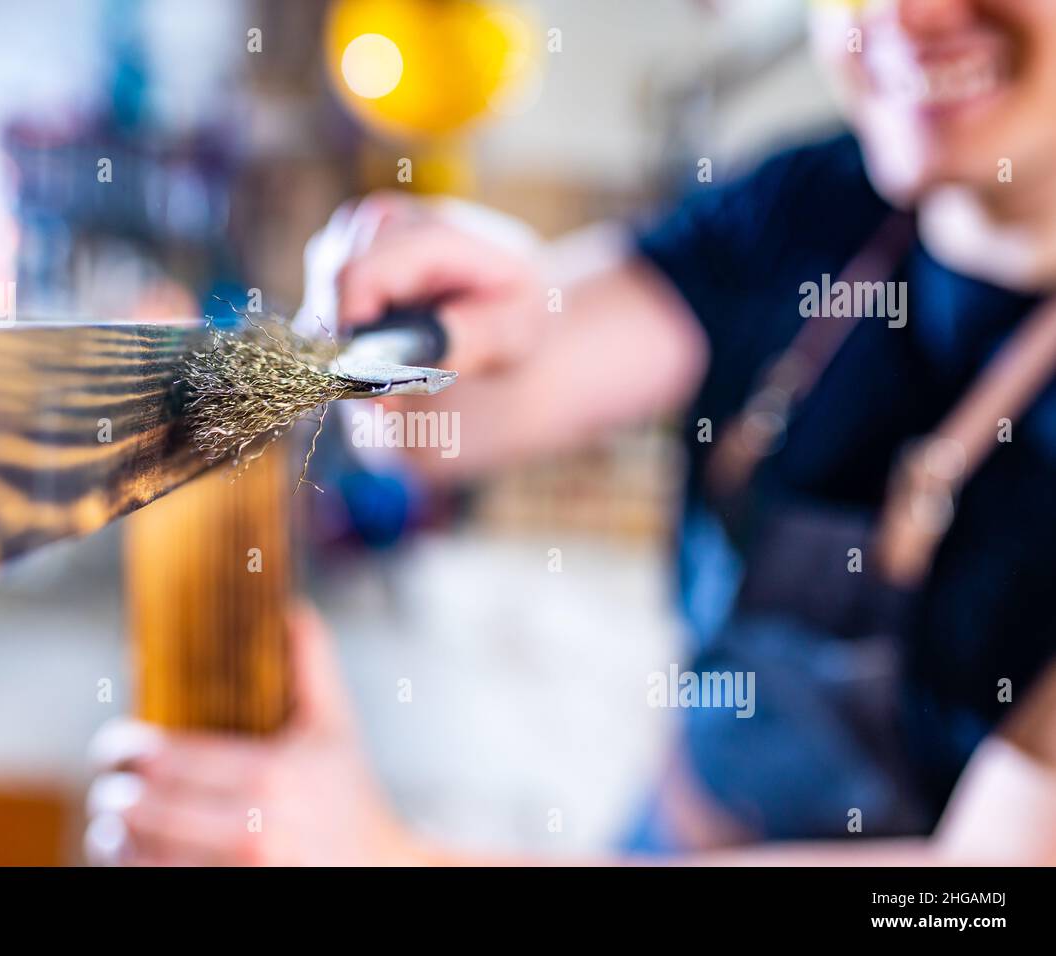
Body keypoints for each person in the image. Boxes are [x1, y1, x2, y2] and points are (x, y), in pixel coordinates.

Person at [86, 0, 1056, 864]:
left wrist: (387, 855)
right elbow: (442, 420)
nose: (906, 12)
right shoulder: (815, 208)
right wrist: (433, 312)